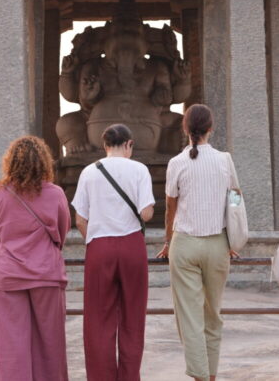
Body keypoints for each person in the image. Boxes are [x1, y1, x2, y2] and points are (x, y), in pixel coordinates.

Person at [158, 104, 239, 381]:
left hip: (185, 244)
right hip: (218, 244)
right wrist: (234, 237)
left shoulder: (176, 163)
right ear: (210, 128)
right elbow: (236, 200)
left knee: (190, 318)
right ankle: (211, 375)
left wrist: (168, 241)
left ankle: (200, 376)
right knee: (213, 315)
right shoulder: (224, 160)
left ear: (185, 129)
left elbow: (170, 208)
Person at [0, 135, 71, 381]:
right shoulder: (56, 194)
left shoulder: (0, 195)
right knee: (51, 343)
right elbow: (61, 235)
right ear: (44, 162)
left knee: (12, 344)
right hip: (46, 275)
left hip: (8, 276)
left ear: (10, 163)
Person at [72, 123, 156, 381]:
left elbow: (79, 219)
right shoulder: (140, 170)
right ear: (129, 144)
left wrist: (95, 239)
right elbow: (147, 213)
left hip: (100, 246)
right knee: (133, 317)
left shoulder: (89, 172)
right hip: (132, 245)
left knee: (98, 319)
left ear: (104, 145)